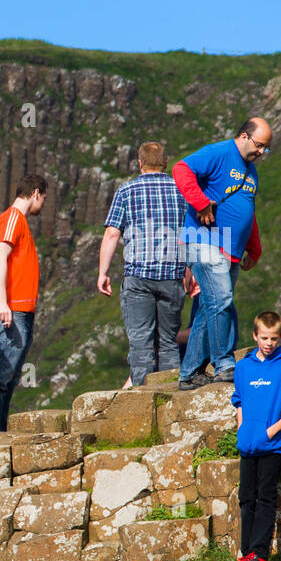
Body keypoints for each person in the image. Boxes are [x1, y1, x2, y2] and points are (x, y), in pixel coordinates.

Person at [175, 118, 271, 390]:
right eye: (260, 145)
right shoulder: (218, 153)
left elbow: (247, 211)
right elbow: (181, 170)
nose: (262, 152)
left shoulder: (251, 172)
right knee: (223, 300)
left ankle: (189, 373)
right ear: (243, 136)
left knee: (209, 308)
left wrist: (254, 247)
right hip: (205, 241)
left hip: (231, 249)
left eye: (267, 148)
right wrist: (202, 203)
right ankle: (224, 363)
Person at [98, 142, 189, 387]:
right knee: (168, 342)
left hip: (138, 276)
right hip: (172, 275)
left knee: (141, 344)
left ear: (140, 163)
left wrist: (103, 273)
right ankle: (171, 398)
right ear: (165, 163)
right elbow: (190, 233)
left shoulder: (126, 191)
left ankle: (142, 401)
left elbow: (111, 234)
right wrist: (191, 271)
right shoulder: (181, 190)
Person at [227, 312, 281, 561]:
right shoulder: (244, 366)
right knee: (246, 497)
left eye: (274, 338)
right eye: (264, 338)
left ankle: (260, 557)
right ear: (254, 336)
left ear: (280, 337)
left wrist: (270, 431)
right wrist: (242, 428)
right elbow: (239, 400)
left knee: (265, 498)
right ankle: (246, 553)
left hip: (273, 446)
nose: (269, 343)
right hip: (248, 443)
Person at [0, 174, 48, 433]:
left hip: (21, 309)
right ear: (36, 194)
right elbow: (0, 256)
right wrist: (2, 303)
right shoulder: (12, 218)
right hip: (11, 308)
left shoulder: (19, 221)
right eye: (44, 198)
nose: (43, 204)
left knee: (8, 378)